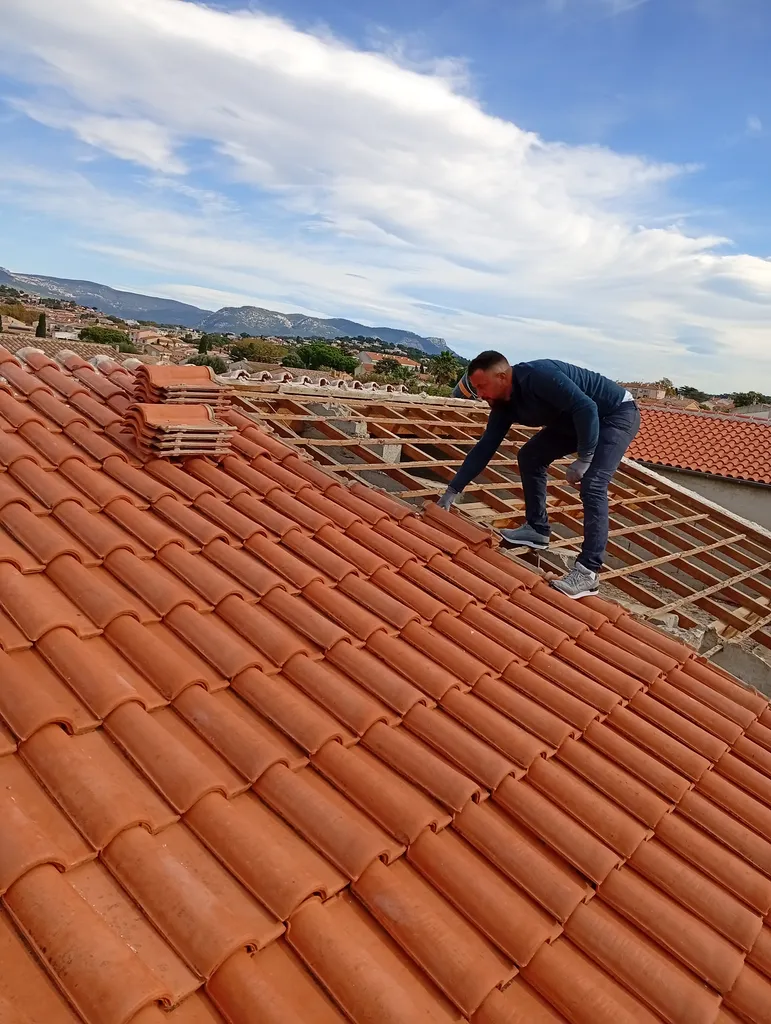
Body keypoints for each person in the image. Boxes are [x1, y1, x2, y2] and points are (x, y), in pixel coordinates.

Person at [439, 351, 640, 599]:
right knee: (530, 457)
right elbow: (485, 447)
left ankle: (588, 572)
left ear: (502, 376)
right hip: (574, 419)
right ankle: (537, 528)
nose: (480, 395)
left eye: (482, 386)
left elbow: (587, 407)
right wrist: (452, 490)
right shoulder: (502, 404)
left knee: (593, 484)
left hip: (614, 413)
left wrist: (585, 458)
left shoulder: (539, 376)